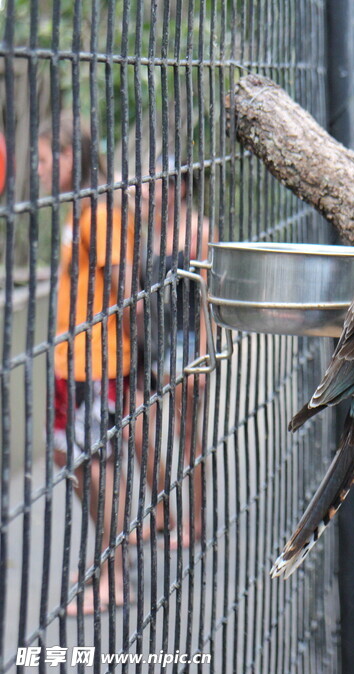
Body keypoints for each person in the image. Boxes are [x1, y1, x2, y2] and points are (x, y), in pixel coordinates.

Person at [40, 114, 133, 615]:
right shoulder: (76, 212)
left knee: (99, 464)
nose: (37, 168)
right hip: (71, 362)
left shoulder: (100, 214)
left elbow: (128, 291)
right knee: (70, 458)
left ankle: (116, 578)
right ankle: (107, 556)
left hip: (97, 361)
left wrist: (132, 357)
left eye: (44, 158)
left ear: (68, 156)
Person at [135, 154, 213, 550]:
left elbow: (207, 297)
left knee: (186, 437)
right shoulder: (151, 230)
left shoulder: (198, 229)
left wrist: (203, 357)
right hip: (152, 344)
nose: (150, 190)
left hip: (185, 344)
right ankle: (163, 510)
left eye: (158, 183)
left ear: (179, 187)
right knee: (138, 428)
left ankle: (194, 522)